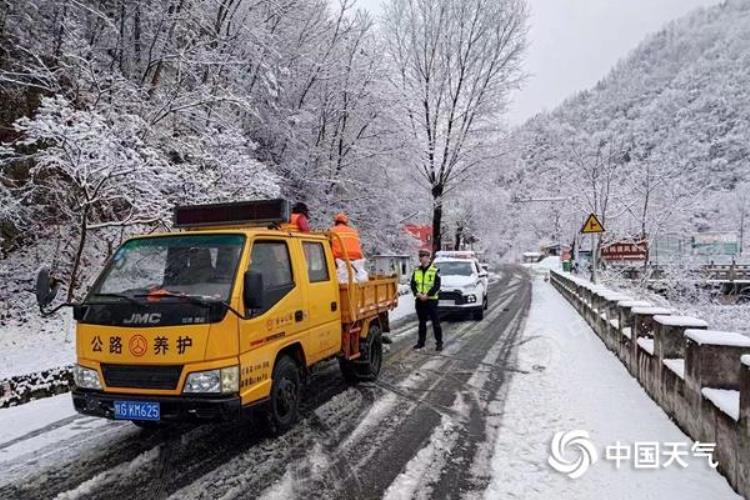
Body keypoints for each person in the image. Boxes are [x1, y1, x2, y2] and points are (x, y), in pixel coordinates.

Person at [410, 249, 443, 351]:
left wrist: (427, 295)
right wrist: (417, 294)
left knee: (435, 322)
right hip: (420, 300)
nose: (421, 258)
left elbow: (437, 285)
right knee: (422, 323)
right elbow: (413, 284)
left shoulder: (435, 270)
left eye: (423, 256)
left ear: (428, 258)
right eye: (420, 256)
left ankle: (439, 343)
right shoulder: (416, 270)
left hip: (431, 300)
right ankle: (421, 343)